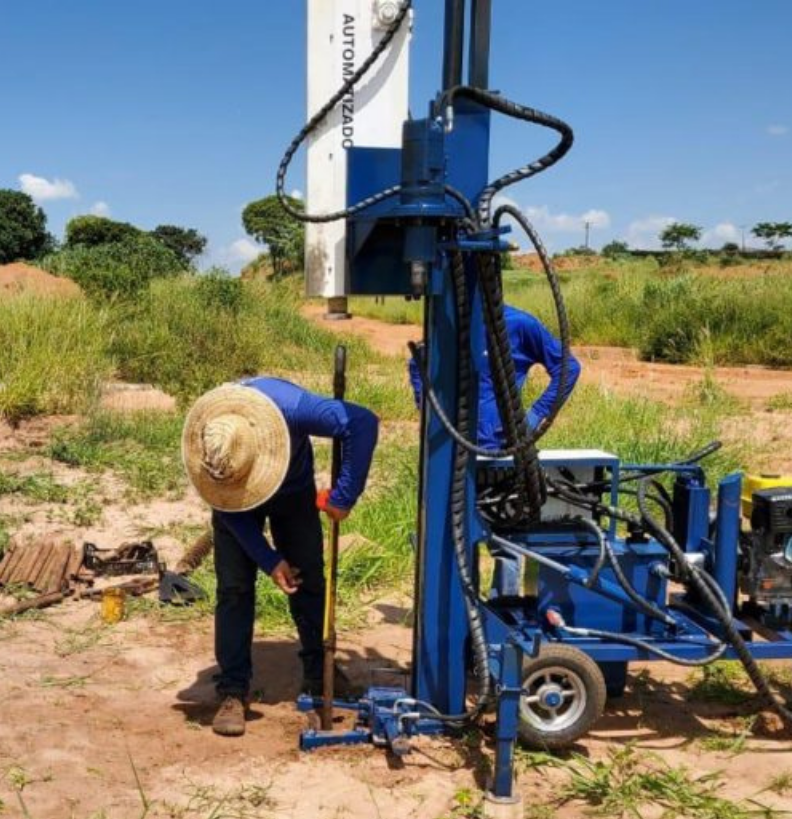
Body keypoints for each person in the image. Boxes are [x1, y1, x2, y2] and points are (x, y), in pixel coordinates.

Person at [182, 377, 379, 737]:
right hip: (234, 504)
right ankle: (233, 690)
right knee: (234, 588)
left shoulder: (294, 408)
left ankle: (320, 672)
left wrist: (343, 498)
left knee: (310, 579)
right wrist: (269, 560)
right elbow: (228, 511)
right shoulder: (212, 444)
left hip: (293, 491)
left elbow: (362, 422)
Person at [408, 305, 583, 595]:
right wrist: (428, 413)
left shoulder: (519, 324)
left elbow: (568, 368)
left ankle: (501, 613)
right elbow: (418, 363)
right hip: (452, 451)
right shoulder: (450, 320)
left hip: (503, 451)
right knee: (447, 536)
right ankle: (459, 613)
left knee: (507, 542)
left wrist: (535, 415)